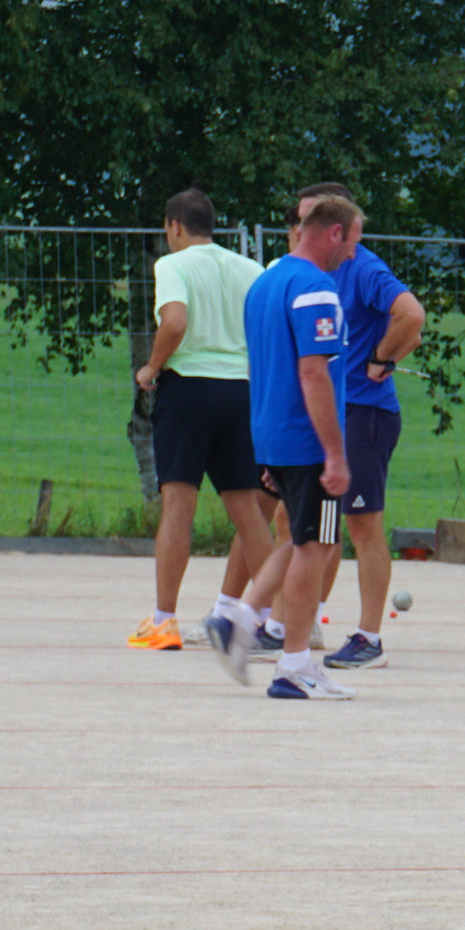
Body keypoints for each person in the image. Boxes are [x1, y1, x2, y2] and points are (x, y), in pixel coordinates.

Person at [207, 192, 359, 701]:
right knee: (318, 548)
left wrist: (265, 447)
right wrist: (335, 454)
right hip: (307, 439)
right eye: (353, 241)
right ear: (334, 232)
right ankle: (294, 666)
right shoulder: (316, 288)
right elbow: (314, 374)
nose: (353, 253)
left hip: (273, 434)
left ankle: (241, 617)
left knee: (296, 538)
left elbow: (261, 366)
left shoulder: (265, 283)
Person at [131, 190, 276, 650]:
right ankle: (268, 622)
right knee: (248, 511)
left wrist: (152, 367)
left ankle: (163, 621)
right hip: (240, 390)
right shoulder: (250, 269)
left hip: (188, 389)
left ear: (174, 226)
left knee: (178, 504)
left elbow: (174, 322)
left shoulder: (173, 265)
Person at [315, 187, 426, 671]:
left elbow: (412, 317)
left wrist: (381, 357)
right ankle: (301, 621)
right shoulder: (318, 270)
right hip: (335, 411)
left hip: (366, 413)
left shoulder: (364, 268)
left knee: (364, 524)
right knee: (320, 523)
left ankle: (370, 638)